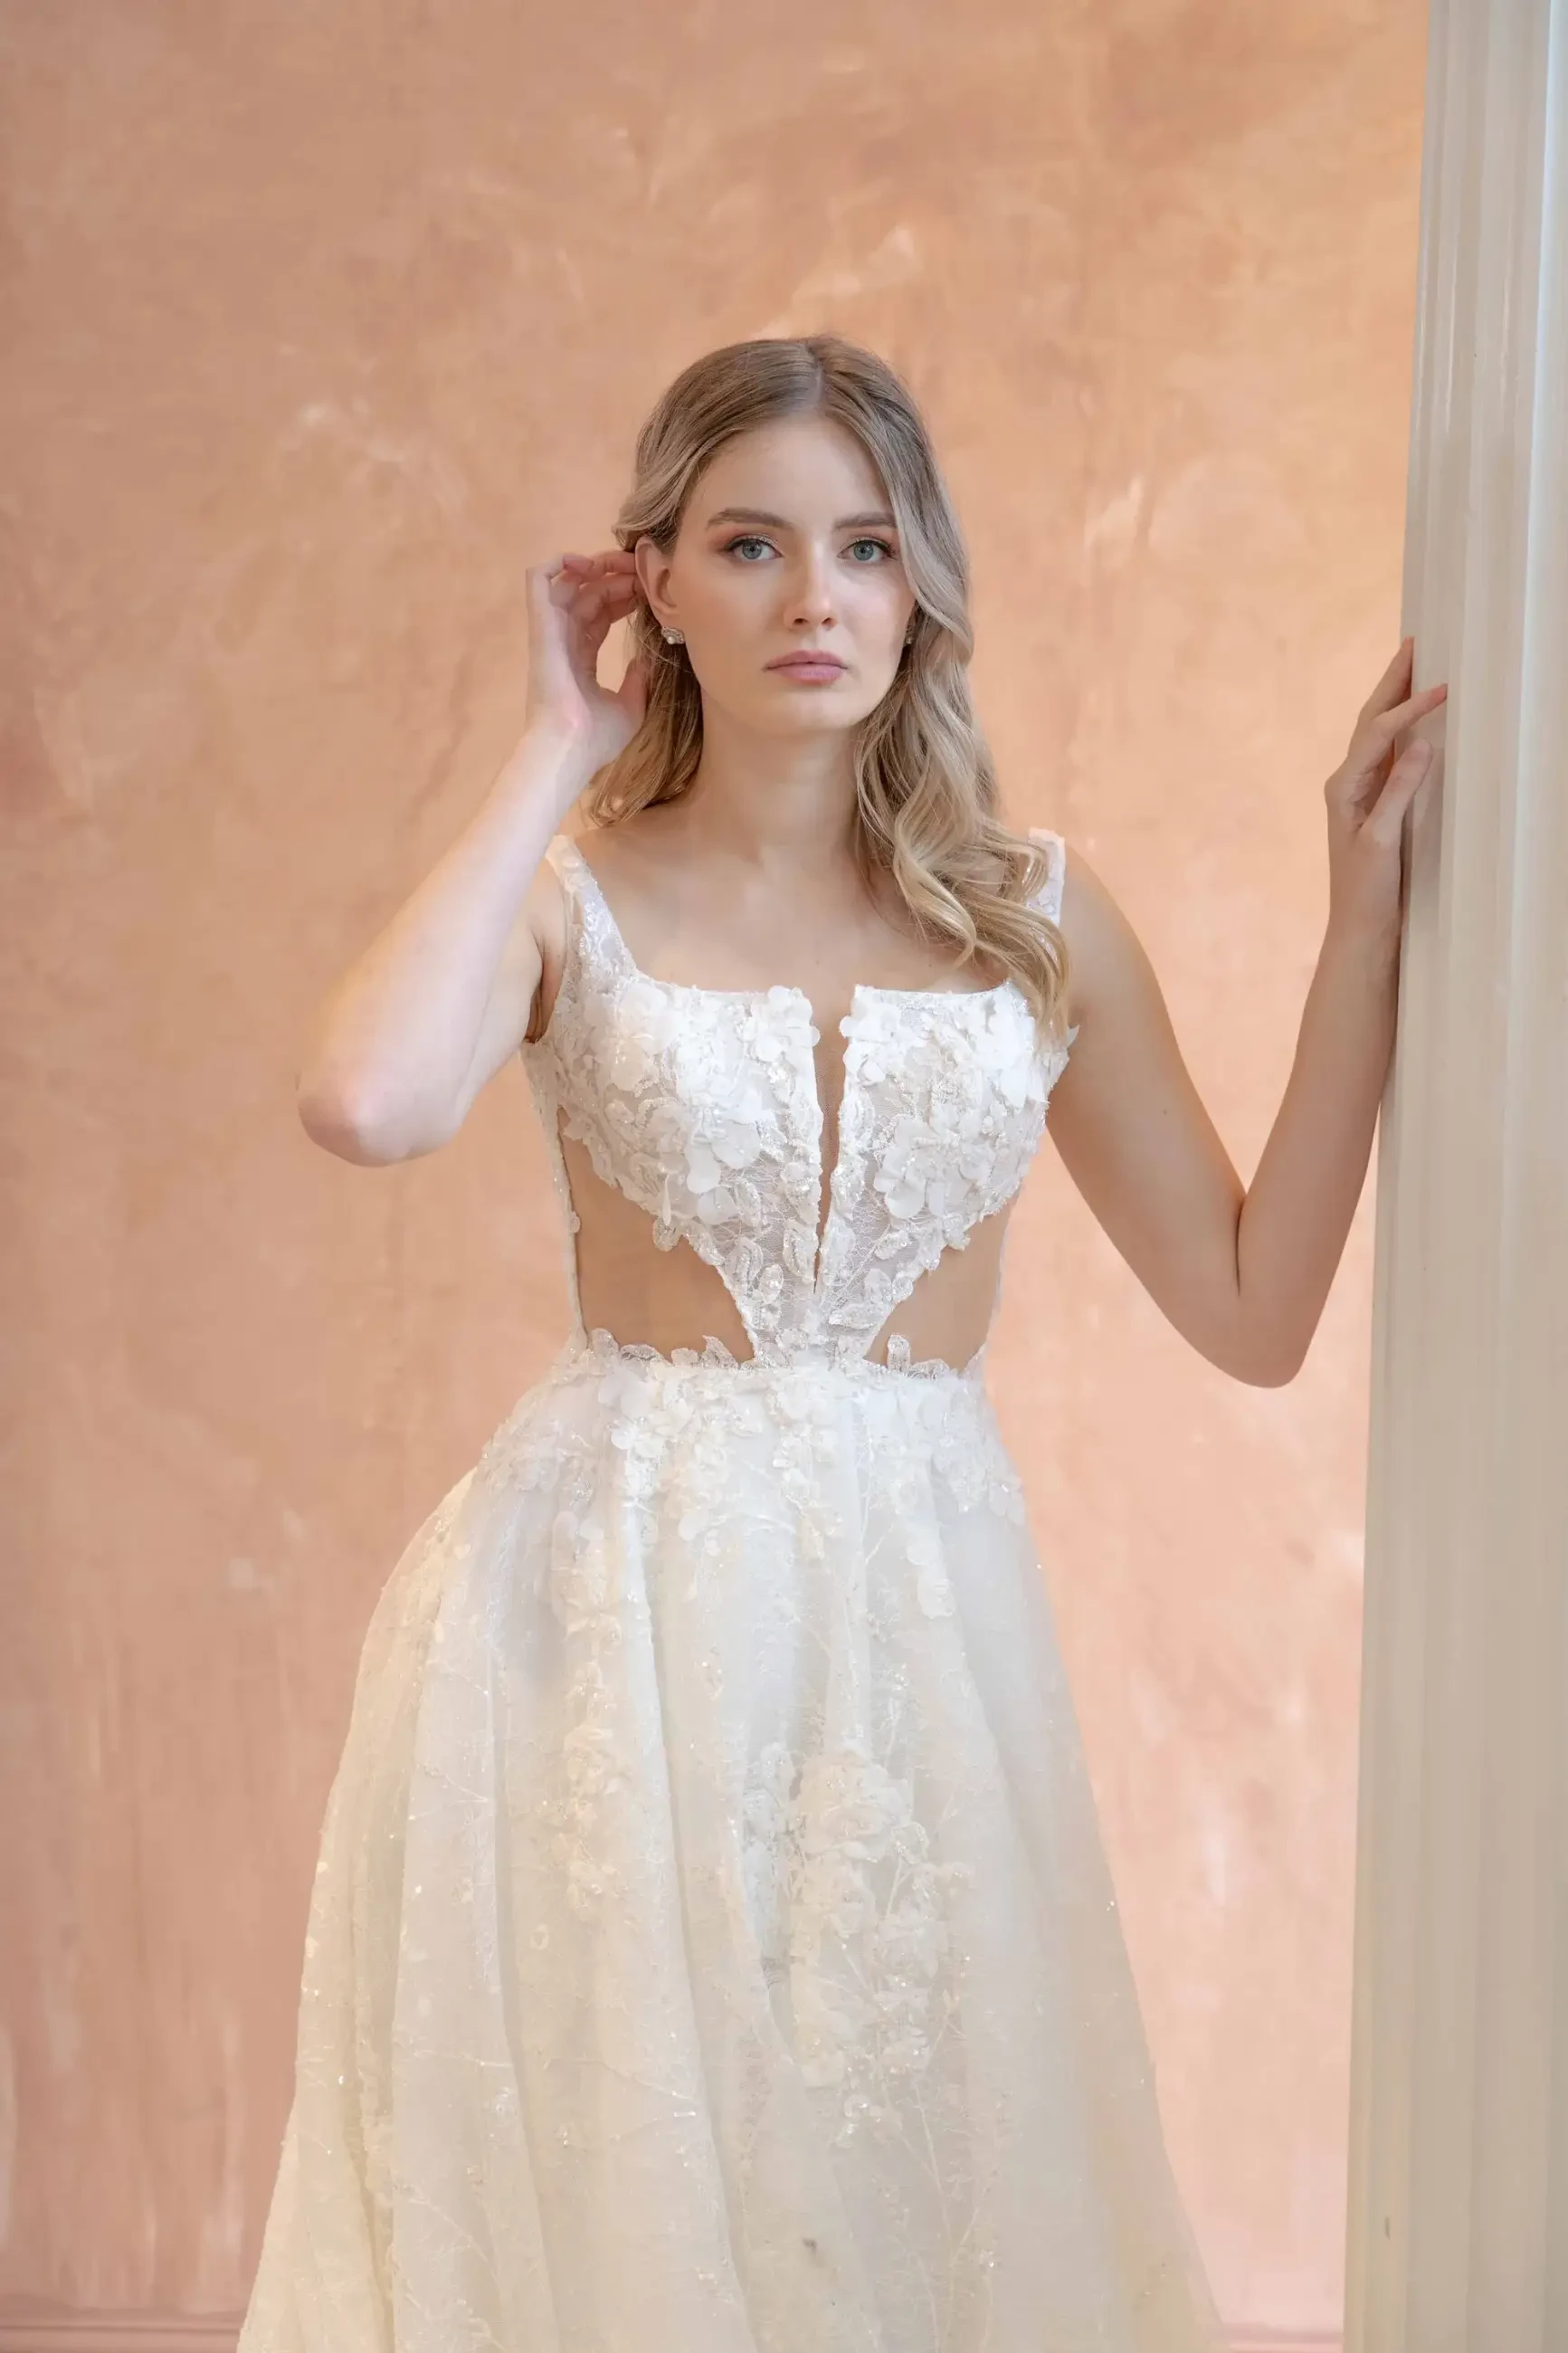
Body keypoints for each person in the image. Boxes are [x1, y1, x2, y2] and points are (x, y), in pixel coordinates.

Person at [236, 334, 1446, 2353]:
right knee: (641, 2192)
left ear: (920, 586)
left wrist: (1364, 927)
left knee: (900, 2183)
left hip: (916, 1616)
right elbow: (365, 1100)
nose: (816, 595)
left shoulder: (1031, 915)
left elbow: (1255, 1308)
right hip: (600, 1620)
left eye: (866, 545)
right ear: (653, 587)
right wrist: (547, 743)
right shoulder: (569, 900)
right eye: (750, 544)